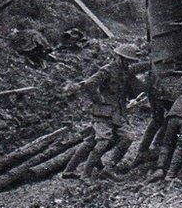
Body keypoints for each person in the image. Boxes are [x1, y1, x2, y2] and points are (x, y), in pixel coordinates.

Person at [61, 44, 148, 179]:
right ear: (118, 57)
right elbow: (90, 84)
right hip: (102, 113)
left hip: (117, 114)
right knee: (102, 141)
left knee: (126, 138)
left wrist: (153, 63)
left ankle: (107, 168)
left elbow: (139, 68)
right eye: (126, 60)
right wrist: (98, 99)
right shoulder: (106, 71)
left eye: (130, 61)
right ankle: (85, 174)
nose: (128, 63)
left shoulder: (126, 70)